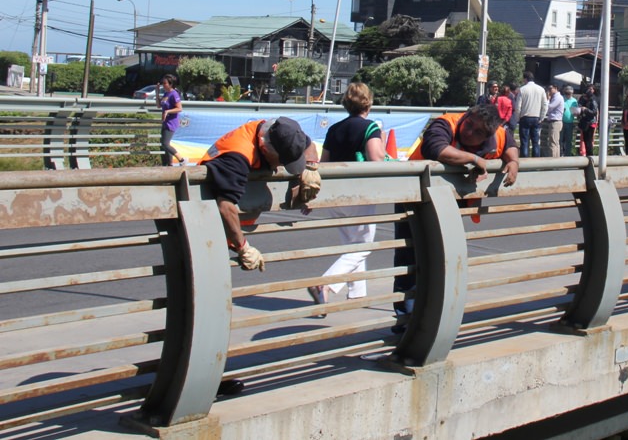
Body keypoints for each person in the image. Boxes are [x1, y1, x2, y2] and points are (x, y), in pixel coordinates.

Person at [394, 104, 519, 328]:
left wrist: (513, 161)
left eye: (478, 132)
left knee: (442, 261)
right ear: (466, 115)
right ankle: (405, 324)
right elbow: (435, 148)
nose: (469, 131)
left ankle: (434, 321)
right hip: (414, 199)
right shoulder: (446, 123)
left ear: (488, 135)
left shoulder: (498, 134)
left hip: (449, 205)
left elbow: (509, 143)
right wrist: (474, 159)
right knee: (410, 261)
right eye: (469, 123)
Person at [198, 116, 320, 271]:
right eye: (281, 161)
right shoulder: (237, 157)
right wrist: (243, 247)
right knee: (208, 272)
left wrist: (311, 167)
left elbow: (308, 144)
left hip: (238, 223)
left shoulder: (283, 133)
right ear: (264, 148)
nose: (281, 165)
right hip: (208, 221)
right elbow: (226, 207)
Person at [308, 83, 384, 308]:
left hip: (336, 193)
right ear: (368, 104)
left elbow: (324, 164)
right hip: (359, 193)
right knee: (363, 245)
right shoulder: (370, 127)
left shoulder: (334, 129)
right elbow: (376, 159)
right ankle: (326, 284)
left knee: (350, 244)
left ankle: (357, 294)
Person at [515, 72, 548, 157]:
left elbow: (518, 106)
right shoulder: (541, 89)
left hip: (525, 117)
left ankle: (525, 161)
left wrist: (518, 118)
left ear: (525, 79)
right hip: (536, 117)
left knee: (524, 141)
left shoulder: (522, 89)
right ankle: (535, 162)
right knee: (536, 142)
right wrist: (542, 117)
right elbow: (545, 105)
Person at [156, 73, 186, 166]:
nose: (163, 85)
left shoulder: (174, 94)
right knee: (163, 145)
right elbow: (158, 105)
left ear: (170, 84)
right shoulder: (166, 93)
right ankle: (168, 164)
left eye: (165, 83)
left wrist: (167, 111)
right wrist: (157, 92)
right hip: (165, 122)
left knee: (165, 144)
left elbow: (179, 108)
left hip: (171, 122)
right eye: (163, 83)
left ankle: (181, 160)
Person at [541, 84, 564, 157]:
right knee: (555, 142)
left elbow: (549, 107)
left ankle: (553, 160)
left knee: (553, 143)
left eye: (550, 89)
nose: (549, 90)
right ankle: (556, 160)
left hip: (555, 122)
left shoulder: (557, 97)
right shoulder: (555, 97)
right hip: (555, 121)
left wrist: (547, 100)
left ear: (556, 88)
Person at [577, 84, 599, 157]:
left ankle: (590, 155)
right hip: (585, 122)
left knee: (589, 140)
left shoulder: (593, 100)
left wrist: (585, 109)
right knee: (585, 140)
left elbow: (594, 112)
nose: (584, 97)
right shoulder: (584, 100)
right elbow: (580, 106)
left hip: (590, 123)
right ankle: (586, 154)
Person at [560, 85, 578, 156]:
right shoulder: (561, 98)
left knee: (569, 140)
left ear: (572, 93)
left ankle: (568, 154)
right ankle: (560, 153)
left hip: (570, 122)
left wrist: (576, 112)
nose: (568, 94)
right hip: (561, 122)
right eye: (567, 93)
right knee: (560, 139)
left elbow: (575, 112)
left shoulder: (574, 101)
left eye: (570, 93)